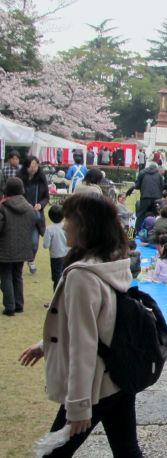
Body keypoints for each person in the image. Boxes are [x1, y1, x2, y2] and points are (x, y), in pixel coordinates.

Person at [19, 192, 142, 456]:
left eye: (70, 218)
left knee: (55, 454)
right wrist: (45, 345)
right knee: (127, 450)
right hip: (118, 375)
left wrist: (78, 406)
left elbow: (83, 344)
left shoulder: (81, 276)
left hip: (94, 385)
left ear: (86, 225)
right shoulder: (111, 261)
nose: (64, 225)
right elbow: (97, 323)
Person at [0, 178, 37, 315]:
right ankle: (19, 304)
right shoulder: (29, 207)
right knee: (17, 275)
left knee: (6, 276)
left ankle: (9, 307)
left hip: (5, 248)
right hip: (23, 247)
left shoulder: (3, 207)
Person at [17, 155, 49, 274]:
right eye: (32, 166)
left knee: (34, 243)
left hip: (36, 216)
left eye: (36, 165)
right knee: (20, 242)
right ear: (26, 166)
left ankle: (31, 260)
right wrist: (25, 205)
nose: (34, 168)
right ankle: (18, 264)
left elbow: (46, 197)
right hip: (21, 215)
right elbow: (15, 195)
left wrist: (40, 205)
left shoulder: (41, 178)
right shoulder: (19, 178)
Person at [132, 162, 164, 233]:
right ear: (156, 168)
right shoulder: (159, 175)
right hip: (157, 198)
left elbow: (137, 186)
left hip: (145, 197)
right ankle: (154, 232)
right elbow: (162, 186)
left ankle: (138, 231)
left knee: (141, 215)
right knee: (155, 215)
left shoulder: (142, 173)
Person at [43, 205, 68, 291]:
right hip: (67, 255)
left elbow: (46, 245)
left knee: (57, 278)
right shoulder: (67, 226)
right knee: (66, 276)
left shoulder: (49, 229)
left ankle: (56, 300)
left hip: (56, 256)